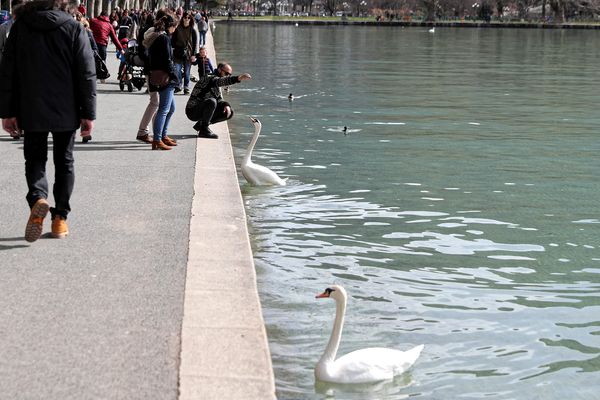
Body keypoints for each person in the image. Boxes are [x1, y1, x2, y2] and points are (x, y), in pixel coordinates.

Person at [0, 0, 96, 242]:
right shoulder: (74, 28)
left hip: (30, 107)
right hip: (67, 108)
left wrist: (7, 112)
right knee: (64, 161)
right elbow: (86, 73)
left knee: (34, 158)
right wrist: (88, 114)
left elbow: (7, 71)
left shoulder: (21, 26)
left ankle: (38, 198)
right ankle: (60, 219)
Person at [185, 63, 251, 139]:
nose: (227, 76)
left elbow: (219, 98)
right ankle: (204, 129)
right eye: (226, 73)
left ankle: (201, 125)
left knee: (229, 112)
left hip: (203, 108)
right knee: (212, 101)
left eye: (229, 75)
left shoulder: (216, 82)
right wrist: (238, 78)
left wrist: (226, 105)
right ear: (219, 70)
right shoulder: (209, 78)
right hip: (192, 110)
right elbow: (220, 81)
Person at [146, 13, 178, 150]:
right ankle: (157, 139)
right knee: (164, 109)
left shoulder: (157, 36)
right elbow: (167, 60)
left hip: (158, 74)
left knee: (171, 108)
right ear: (170, 26)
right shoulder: (164, 38)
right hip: (166, 77)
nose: (175, 30)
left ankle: (163, 136)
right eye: (174, 27)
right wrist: (174, 75)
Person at [172, 11, 197, 95]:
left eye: (188, 18)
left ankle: (186, 87)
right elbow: (173, 40)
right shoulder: (177, 28)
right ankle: (179, 85)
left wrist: (194, 54)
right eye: (185, 17)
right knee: (177, 70)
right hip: (178, 53)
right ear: (182, 18)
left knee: (187, 72)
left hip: (188, 54)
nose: (186, 19)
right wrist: (173, 48)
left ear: (190, 19)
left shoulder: (192, 30)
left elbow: (195, 43)